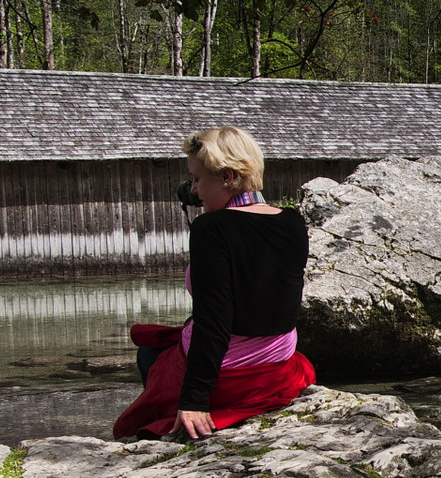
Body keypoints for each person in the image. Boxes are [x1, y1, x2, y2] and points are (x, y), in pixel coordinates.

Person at [113, 126, 314, 439]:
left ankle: (177, 419)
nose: (193, 190)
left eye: (197, 179)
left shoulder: (212, 228)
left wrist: (195, 400)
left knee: (150, 354)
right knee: (178, 330)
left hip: (232, 378)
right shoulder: (292, 221)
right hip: (278, 370)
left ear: (228, 177)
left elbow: (214, 320)